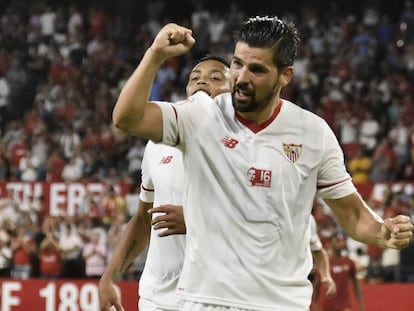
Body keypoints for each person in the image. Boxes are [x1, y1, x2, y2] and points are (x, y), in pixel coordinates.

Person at [111, 17, 413, 310]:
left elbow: (352, 214)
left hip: (281, 303)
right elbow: (127, 117)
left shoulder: (313, 132)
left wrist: (381, 231)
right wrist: (155, 55)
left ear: (285, 75)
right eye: (237, 64)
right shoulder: (200, 115)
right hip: (207, 301)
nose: (241, 78)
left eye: (256, 69)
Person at [98, 55, 231, 311]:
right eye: (195, 78)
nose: (203, 81)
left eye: (216, 78)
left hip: (217, 298)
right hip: (158, 298)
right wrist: (109, 277)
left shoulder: (247, 145)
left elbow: (261, 220)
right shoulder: (157, 145)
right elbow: (143, 219)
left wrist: (195, 220)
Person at [319, 232, 365, 311]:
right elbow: (316, 286)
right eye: (337, 241)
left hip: (345, 305)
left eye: (341, 241)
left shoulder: (349, 262)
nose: (340, 243)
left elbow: (356, 285)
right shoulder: (325, 262)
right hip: (328, 305)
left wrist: (361, 304)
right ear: (330, 244)